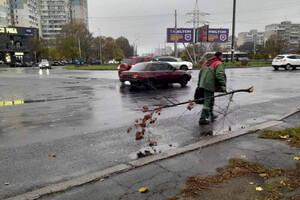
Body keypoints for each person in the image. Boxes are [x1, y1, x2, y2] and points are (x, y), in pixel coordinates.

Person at [198, 52, 227, 125]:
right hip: (210, 84)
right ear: (220, 56)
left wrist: (199, 84)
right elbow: (220, 75)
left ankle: (211, 115)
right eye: (222, 56)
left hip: (203, 83)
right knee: (208, 101)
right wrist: (223, 84)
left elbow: (200, 74)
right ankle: (203, 118)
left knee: (210, 99)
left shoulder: (206, 62)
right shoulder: (218, 63)